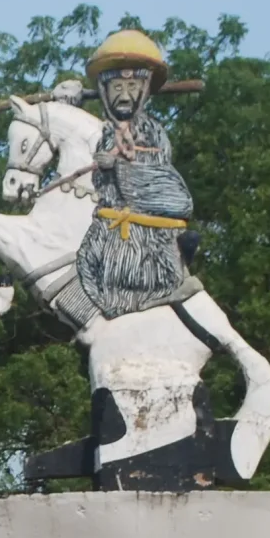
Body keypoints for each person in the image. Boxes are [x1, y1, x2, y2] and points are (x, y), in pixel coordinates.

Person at [77, 28, 198, 320]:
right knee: (81, 266)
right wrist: (66, 98)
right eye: (117, 88)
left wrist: (119, 166)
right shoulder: (99, 130)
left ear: (144, 91)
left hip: (148, 235)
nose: (125, 95)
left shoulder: (154, 132)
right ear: (105, 91)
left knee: (137, 269)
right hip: (104, 230)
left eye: (132, 88)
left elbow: (163, 182)